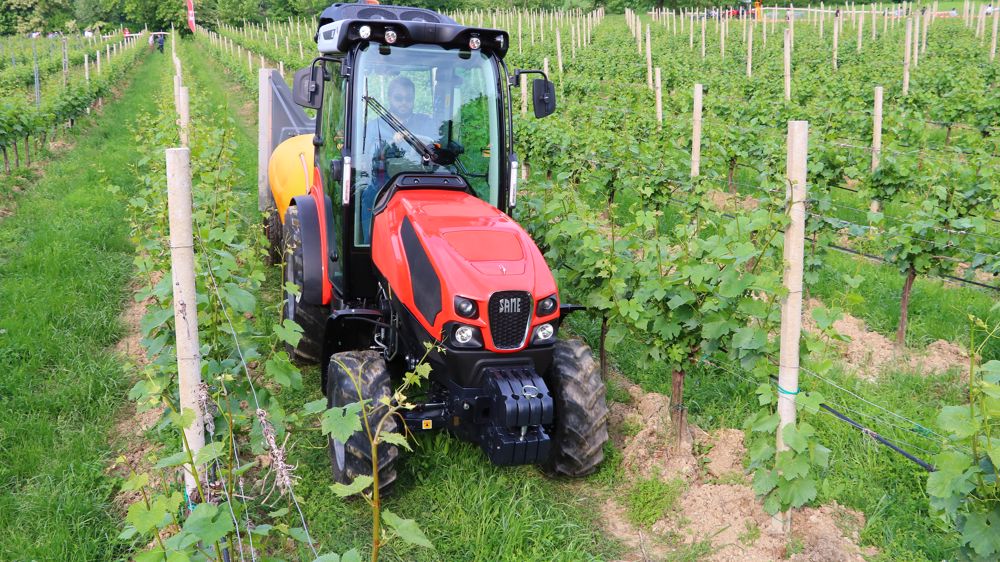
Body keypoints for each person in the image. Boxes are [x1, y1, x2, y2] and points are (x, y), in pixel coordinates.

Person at [359, 76, 438, 242]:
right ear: (389, 98)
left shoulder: (426, 123)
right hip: (384, 184)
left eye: (408, 99)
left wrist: (426, 143)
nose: (404, 103)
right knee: (368, 195)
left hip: (422, 182)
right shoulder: (375, 126)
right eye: (398, 98)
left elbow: (438, 148)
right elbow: (367, 158)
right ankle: (369, 246)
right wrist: (390, 143)